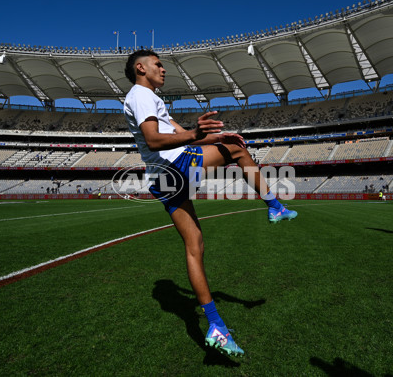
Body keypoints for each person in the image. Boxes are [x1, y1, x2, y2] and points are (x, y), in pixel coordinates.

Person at [123, 49, 297, 357]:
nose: (164, 70)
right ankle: (275, 206)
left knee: (195, 246)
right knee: (238, 152)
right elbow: (153, 139)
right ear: (140, 68)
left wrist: (212, 138)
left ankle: (216, 325)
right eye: (158, 65)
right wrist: (204, 138)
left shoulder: (151, 100)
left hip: (162, 180)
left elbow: (183, 136)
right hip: (174, 166)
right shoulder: (141, 95)